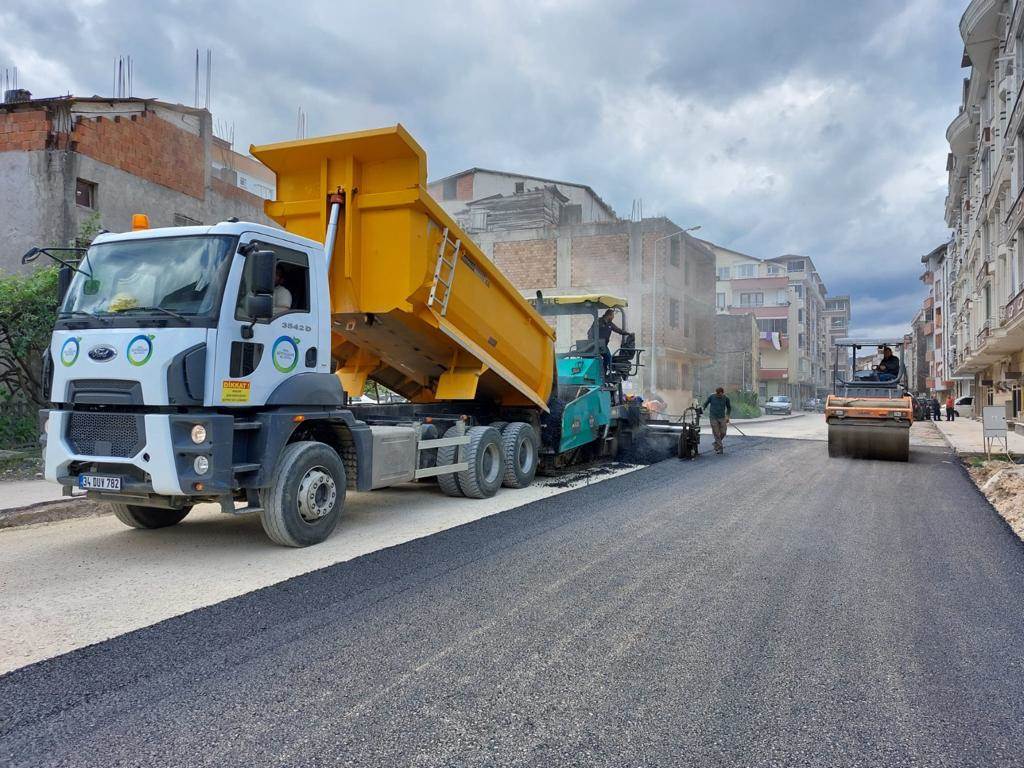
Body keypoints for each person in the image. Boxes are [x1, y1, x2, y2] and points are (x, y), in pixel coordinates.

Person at [702, 387, 732, 455]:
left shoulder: (726, 398)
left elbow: (729, 408)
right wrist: (703, 408)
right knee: (716, 433)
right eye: (717, 394)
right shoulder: (711, 397)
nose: (718, 396)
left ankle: (716, 443)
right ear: (716, 393)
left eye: (720, 395)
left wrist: (727, 416)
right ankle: (720, 448)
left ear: (722, 393)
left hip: (722, 417)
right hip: (713, 417)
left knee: (723, 432)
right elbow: (705, 404)